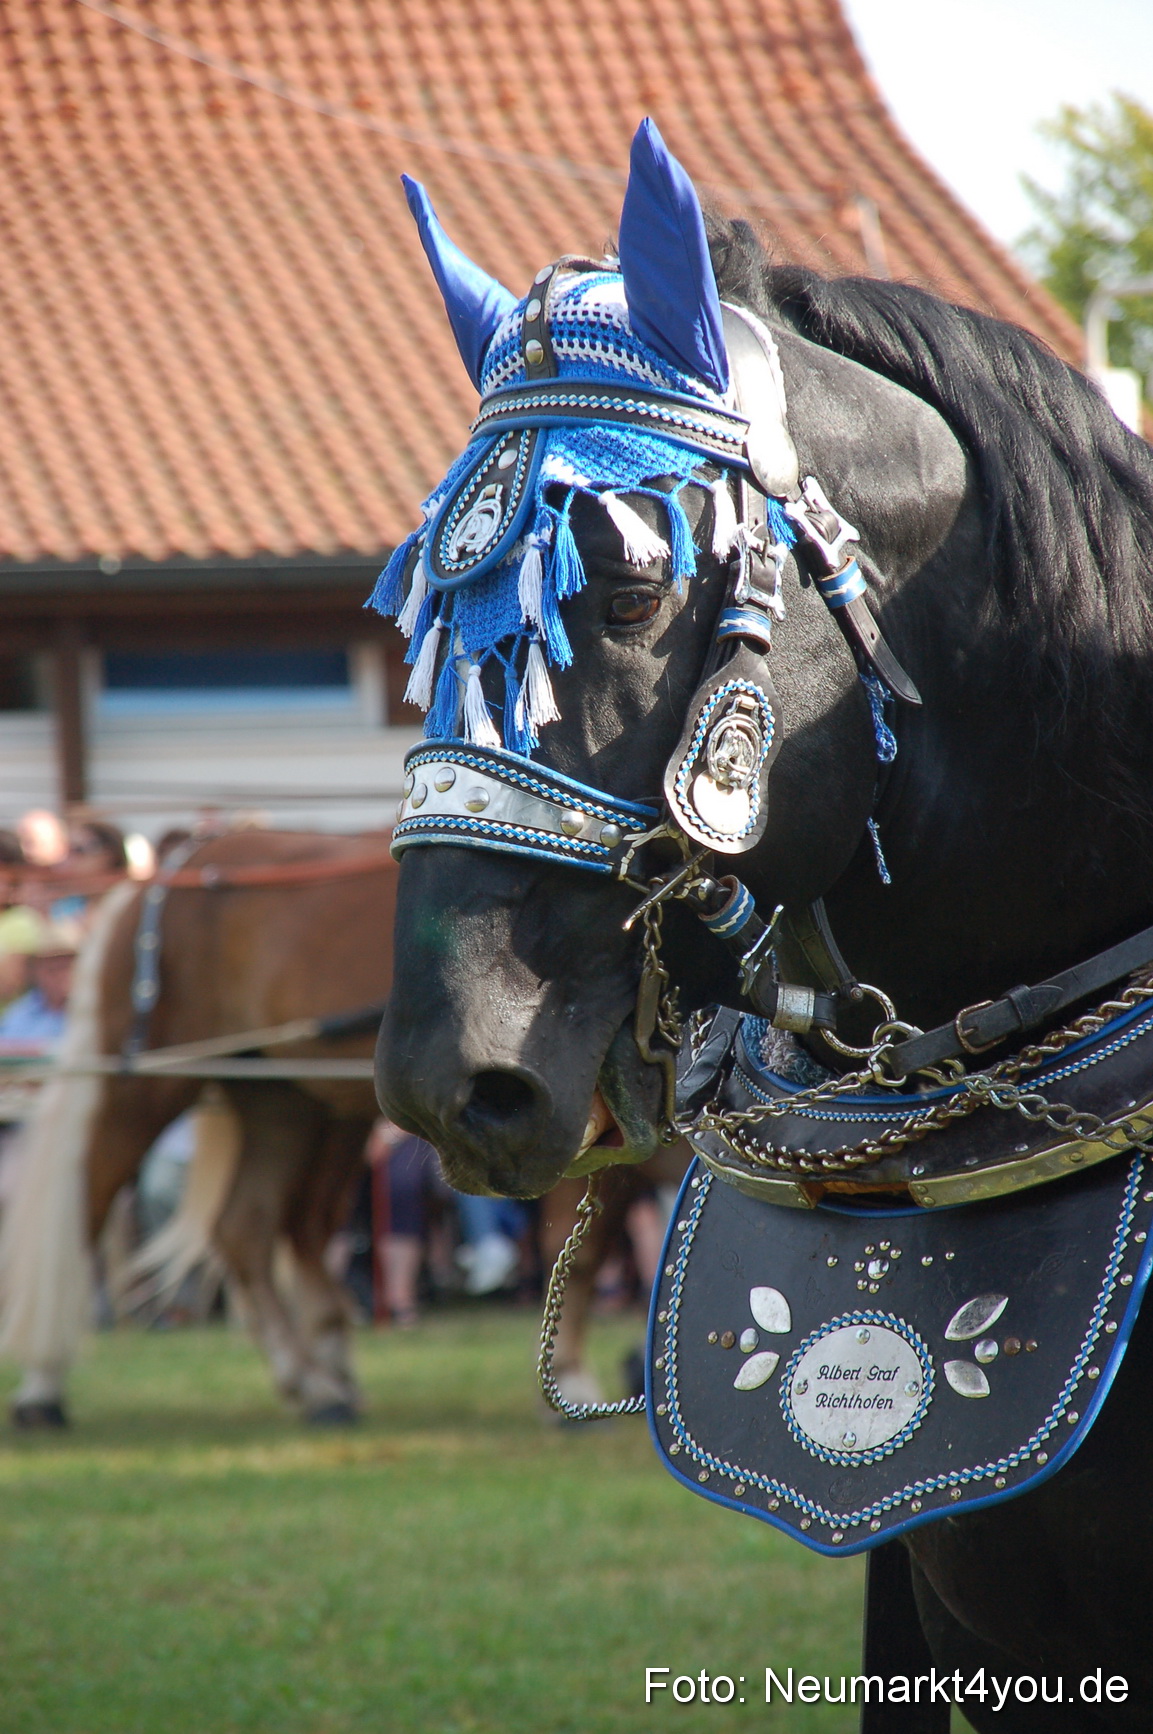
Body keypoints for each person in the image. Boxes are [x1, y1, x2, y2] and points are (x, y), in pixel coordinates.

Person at [0, 920, 79, 1044]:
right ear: (36, 971)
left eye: (65, 966)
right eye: (51, 968)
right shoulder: (20, 1013)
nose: (59, 975)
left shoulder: (94, 1011)